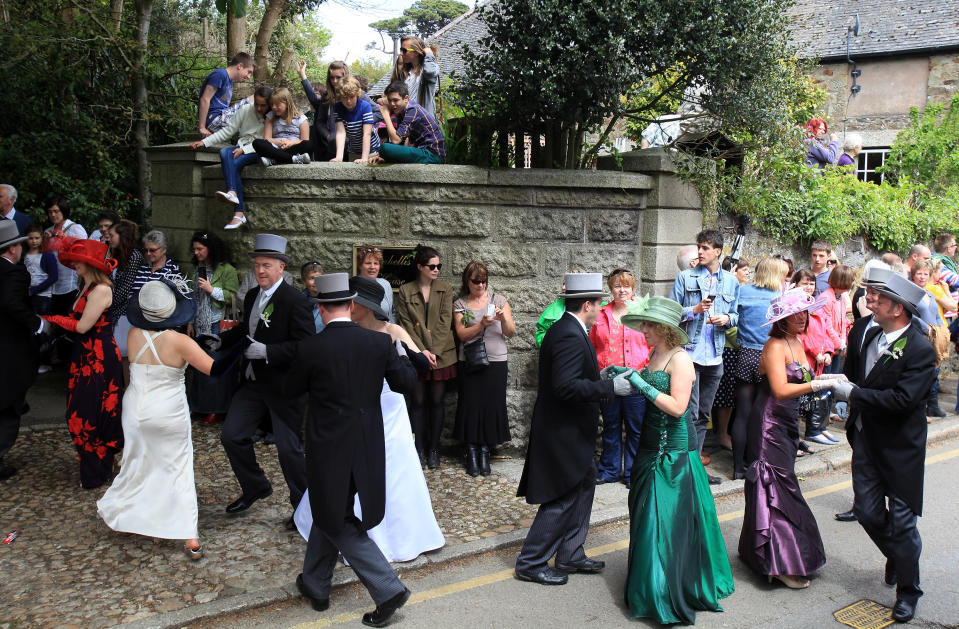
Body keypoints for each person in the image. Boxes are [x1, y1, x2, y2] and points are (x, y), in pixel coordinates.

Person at [285, 273, 416, 626]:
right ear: (352, 305)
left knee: (336, 518)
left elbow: (290, 392)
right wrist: (400, 351)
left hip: (330, 450)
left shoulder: (311, 347)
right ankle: (315, 583)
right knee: (328, 510)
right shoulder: (379, 344)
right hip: (369, 446)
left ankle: (388, 589)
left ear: (322, 308)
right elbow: (406, 383)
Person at [293, 275, 444, 563]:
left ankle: (400, 534)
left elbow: (420, 366)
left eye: (356, 302)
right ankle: (344, 530)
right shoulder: (346, 332)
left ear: (364, 306)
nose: (351, 306)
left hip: (390, 408)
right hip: (356, 409)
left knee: (395, 471)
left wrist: (411, 355)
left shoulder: (392, 331)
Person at [97, 278, 246, 560]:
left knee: (139, 462)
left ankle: (133, 517)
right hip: (166, 412)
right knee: (177, 468)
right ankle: (189, 537)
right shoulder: (180, 342)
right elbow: (215, 370)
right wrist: (241, 346)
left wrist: (197, 344)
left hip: (135, 409)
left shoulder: (133, 334)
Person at [619, 296, 734, 623]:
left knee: (662, 517)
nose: (643, 330)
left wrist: (639, 382)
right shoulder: (656, 353)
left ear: (667, 329)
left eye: (649, 324)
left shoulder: (681, 360)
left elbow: (679, 408)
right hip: (649, 443)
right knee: (645, 514)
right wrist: (629, 378)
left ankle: (662, 589)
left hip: (673, 449)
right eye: (643, 323)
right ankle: (648, 582)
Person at [515, 273, 633, 586]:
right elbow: (565, 386)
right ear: (586, 305)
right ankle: (531, 562)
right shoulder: (568, 333)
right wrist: (608, 387)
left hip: (570, 429)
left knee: (583, 487)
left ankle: (570, 553)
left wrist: (600, 375)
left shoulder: (569, 328)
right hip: (563, 431)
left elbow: (573, 375)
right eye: (598, 304)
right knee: (563, 494)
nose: (601, 308)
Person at [833, 273, 937, 623]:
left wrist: (854, 395)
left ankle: (909, 591)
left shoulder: (920, 349)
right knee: (867, 513)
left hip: (902, 449)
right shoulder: (867, 332)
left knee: (904, 526)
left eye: (877, 297)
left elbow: (903, 399)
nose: (869, 300)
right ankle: (899, 554)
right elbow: (854, 376)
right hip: (865, 439)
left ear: (897, 307)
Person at [738, 287, 833, 589]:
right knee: (775, 488)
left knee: (784, 484)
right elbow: (779, 390)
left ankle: (774, 554)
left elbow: (802, 379)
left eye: (805, 312)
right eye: (797, 315)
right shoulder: (775, 345)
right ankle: (776, 562)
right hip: (769, 422)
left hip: (789, 422)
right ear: (783, 319)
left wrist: (828, 379)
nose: (804, 318)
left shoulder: (796, 341)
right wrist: (818, 386)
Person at [214, 234, 312, 525]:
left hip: (284, 386)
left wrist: (269, 351)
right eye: (257, 265)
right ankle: (255, 485)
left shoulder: (295, 301)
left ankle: (304, 511)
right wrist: (220, 340)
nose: (260, 271)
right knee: (231, 435)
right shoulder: (253, 295)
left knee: (288, 449)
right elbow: (249, 328)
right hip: (253, 381)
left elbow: (305, 346)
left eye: (266, 265)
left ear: (281, 267)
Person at [42, 239, 123, 489]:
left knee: (88, 414)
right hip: (85, 356)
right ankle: (96, 467)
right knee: (82, 412)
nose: (74, 263)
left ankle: (99, 469)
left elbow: (82, 326)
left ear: (90, 264)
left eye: (78, 260)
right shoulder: (86, 284)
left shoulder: (101, 289)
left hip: (99, 359)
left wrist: (51, 318)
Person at [669, 229, 739, 486]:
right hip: (689, 355)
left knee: (702, 415)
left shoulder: (731, 281)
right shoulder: (685, 277)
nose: (700, 252)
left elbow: (736, 315)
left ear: (718, 251)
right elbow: (672, 313)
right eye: (699, 247)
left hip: (715, 356)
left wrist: (726, 319)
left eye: (706, 248)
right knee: (688, 413)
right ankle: (683, 467)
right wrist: (694, 310)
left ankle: (695, 468)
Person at [453, 261, 516, 477]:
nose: (480, 285)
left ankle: (484, 450)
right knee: (471, 403)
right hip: (470, 360)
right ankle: (471, 449)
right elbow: (461, 334)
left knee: (491, 403)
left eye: (483, 281)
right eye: (475, 281)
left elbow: (510, 332)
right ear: (467, 281)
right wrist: (481, 324)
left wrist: (502, 318)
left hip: (497, 359)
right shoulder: (460, 303)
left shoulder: (499, 300)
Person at [587, 269, 649, 486]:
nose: (622, 290)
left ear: (633, 288)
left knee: (635, 427)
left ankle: (633, 472)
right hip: (609, 380)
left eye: (626, 286)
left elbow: (652, 344)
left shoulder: (643, 313)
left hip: (636, 379)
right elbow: (592, 346)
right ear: (611, 289)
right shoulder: (601, 314)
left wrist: (647, 372)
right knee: (611, 426)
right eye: (617, 286)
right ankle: (609, 470)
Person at [396, 245, 455, 469]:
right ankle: (418, 448)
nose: (437, 269)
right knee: (418, 402)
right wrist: (421, 351)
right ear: (420, 267)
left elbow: (444, 321)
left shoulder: (445, 289)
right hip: (417, 353)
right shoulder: (405, 290)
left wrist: (433, 351)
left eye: (439, 266)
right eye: (432, 266)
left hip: (441, 355)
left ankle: (434, 449)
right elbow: (406, 324)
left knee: (438, 402)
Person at [729, 257, 788, 478]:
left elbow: (731, 320)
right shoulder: (780, 298)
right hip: (769, 356)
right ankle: (756, 462)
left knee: (742, 413)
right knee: (761, 413)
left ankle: (736, 468)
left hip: (745, 354)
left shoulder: (743, 292)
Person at [0, 221, 49, 481]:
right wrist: (37, 323)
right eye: (18, 244)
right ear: (12, 250)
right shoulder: (15, 273)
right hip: (10, 349)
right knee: (9, 405)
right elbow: (10, 302)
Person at [190, 84, 274, 231]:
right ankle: (232, 193)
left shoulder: (273, 115)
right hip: (242, 146)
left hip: (260, 149)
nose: (259, 109)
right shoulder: (246, 110)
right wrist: (204, 142)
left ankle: (238, 212)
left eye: (263, 105)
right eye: (257, 105)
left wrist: (244, 150)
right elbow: (228, 131)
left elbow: (268, 141)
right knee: (224, 153)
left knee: (233, 162)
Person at [188, 232, 239, 425]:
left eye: (200, 248)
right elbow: (194, 297)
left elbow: (233, 296)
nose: (197, 252)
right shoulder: (198, 268)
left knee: (214, 365)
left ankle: (216, 408)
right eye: (194, 249)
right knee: (199, 366)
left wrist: (212, 290)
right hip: (200, 322)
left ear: (211, 248)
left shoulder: (226, 270)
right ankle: (199, 405)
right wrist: (190, 322)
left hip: (217, 323)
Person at [791, 269, 837, 446]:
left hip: (819, 362)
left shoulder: (817, 307)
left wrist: (828, 352)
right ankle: (799, 437)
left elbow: (826, 331)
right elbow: (800, 336)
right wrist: (815, 352)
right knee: (798, 403)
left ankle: (817, 428)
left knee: (818, 398)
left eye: (811, 283)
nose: (809, 287)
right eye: (805, 283)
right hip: (803, 361)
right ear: (796, 285)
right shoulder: (794, 307)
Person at [371, 82, 446, 165]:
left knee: (384, 148)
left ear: (406, 98)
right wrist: (385, 157)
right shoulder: (401, 112)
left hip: (432, 155)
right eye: (390, 100)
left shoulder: (413, 110)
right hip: (421, 151)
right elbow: (401, 142)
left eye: (395, 100)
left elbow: (396, 140)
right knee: (385, 149)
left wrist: (385, 114)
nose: (392, 104)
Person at [106, 219, 144, 372]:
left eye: (112, 235)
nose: (108, 238)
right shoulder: (115, 255)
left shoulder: (134, 257)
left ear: (122, 236)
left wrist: (106, 303)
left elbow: (126, 287)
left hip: (126, 313)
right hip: (114, 311)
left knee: (125, 356)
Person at [43, 196, 88, 316]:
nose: (53, 215)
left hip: (71, 283)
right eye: (50, 212)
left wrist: (66, 240)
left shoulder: (75, 229)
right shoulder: (48, 231)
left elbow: (84, 253)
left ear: (63, 211)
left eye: (56, 211)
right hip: (52, 283)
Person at [23, 225, 58, 373]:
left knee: (43, 329)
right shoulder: (23, 255)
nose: (33, 241)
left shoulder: (47, 255)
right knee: (30, 328)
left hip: (43, 297)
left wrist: (35, 290)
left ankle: (45, 361)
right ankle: (33, 360)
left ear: (42, 238)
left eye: (36, 238)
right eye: (30, 238)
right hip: (27, 296)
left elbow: (53, 277)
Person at [198, 52, 256, 138]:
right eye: (248, 72)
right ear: (239, 66)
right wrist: (202, 127)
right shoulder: (220, 74)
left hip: (222, 119)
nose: (248, 76)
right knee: (256, 97)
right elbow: (205, 99)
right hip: (214, 119)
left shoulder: (229, 81)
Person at [251, 87, 313, 166]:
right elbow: (267, 138)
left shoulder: (301, 119)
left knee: (309, 144)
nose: (273, 107)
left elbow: (304, 140)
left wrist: (290, 143)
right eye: (272, 104)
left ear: (287, 103)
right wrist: (279, 143)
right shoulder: (270, 117)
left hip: (293, 147)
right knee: (257, 143)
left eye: (277, 104)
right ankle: (293, 159)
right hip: (275, 147)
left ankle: (274, 160)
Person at [332, 78, 381, 164]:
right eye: (344, 97)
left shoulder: (365, 106)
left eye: (352, 97)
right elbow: (341, 132)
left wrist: (364, 158)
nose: (348, 101)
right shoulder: (337, 108)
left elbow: (367, 133)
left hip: (371, 149)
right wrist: (339, 157)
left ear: (357, 95)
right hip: (354, 149)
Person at [297, 61, 336, 162]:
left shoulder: (338, 102)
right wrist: (302, 74)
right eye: (332, 78)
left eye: (316, 93)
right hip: (318, 147)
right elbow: (312, 98)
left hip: (334, 145)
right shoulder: (310, 113)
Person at [399, 37, 439, 118]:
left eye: (404, 50)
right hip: (408, 120)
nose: (401, 53)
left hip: (424, 122)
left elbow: (430, 72)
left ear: (416, 52)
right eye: (401, 49)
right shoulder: (406, 73)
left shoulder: (428, 69)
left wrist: (429, 54)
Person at [356, 245, 394, 322]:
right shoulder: (353, 286)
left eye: (376, 263)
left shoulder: (385, 284)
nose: (372, 267)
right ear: (360, 265)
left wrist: (391, 330)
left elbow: (392, 313)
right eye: (368, 263)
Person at [301, 261, 326, 333]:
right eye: (312, 278)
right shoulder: (299, 301)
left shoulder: (329, 300)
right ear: (304, 281)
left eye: (319, 278)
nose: (316, 281)